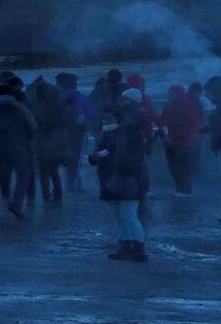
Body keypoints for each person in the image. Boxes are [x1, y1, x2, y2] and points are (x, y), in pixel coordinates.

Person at [92, 89, 153, 262]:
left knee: (126, 214)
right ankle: (129, 248)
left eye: (123, 99)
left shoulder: (130, 127)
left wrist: (105, 155)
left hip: (126, 175)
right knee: (120, 214)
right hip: (118, 174)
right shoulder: (127, 125)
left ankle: (137, 250)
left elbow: (126, 153)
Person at [0, 76, 36, 218]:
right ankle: (17, 204)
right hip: (18, 146)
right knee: (24, 173)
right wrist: (26, 141)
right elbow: (33, 126)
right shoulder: (20, 108)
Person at [27, 76, 68, 206]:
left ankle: (46, 197)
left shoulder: (34, 108)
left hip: (40, 143)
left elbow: (32, 126)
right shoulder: (57, 106)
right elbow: (63, 124)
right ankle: (58, 195)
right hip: (56, 141)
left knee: (44, 172)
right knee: (54, 171)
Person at [159, 85, 204, 197]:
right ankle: (179, 190)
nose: (170, 97)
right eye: (169, 94)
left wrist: (180, 135)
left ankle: (186, 191)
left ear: (179, 95)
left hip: (185, 142)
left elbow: (193, 124)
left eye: (173, 94)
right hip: (170, 141)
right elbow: (162, 120)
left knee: (182, 167)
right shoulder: (168, 106)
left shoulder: (189, 106)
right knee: (173, 167)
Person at [58, 72, 93, 192]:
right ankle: (72, 185)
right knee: (74, 160)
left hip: (55, 132)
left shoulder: (54, 96)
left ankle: (55, 190)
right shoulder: (79, 97)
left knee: (53, 161)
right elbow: (91, 114)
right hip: (75, 132)